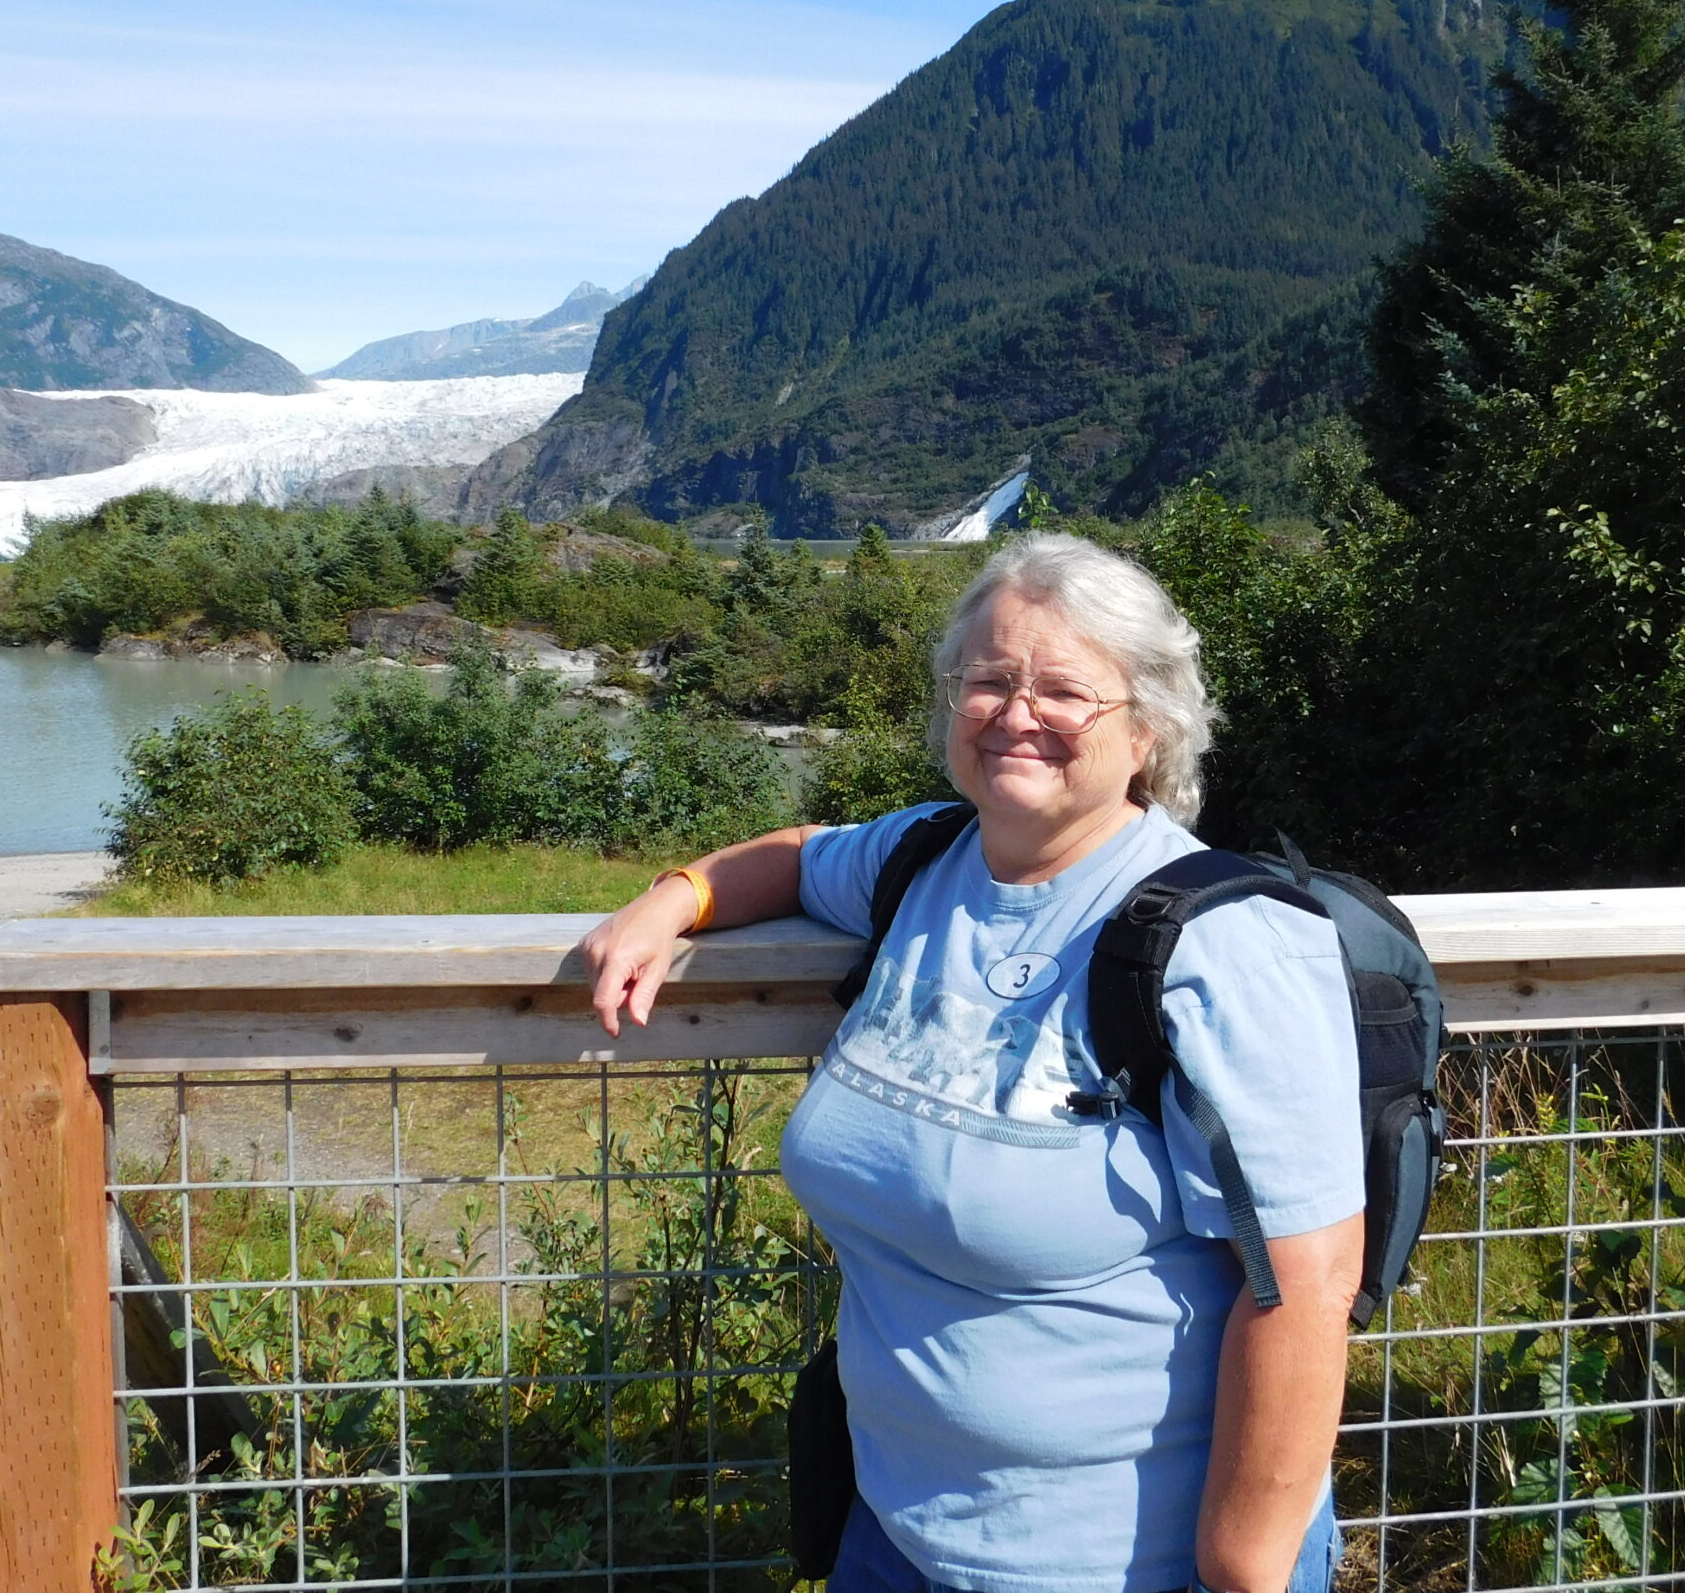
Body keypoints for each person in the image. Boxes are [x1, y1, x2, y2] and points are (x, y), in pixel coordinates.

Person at [582, 533, 1365, 1593]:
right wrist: (675, 898)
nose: (1014, 712)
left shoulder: (1226, 943)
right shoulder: (923, 860)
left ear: (1148, 729)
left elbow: (1305, 1286)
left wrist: (1243, 1572)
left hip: (1123, 1563)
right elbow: (798, 858)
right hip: (893, 1531)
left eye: (1065, 691)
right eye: (987, 680)